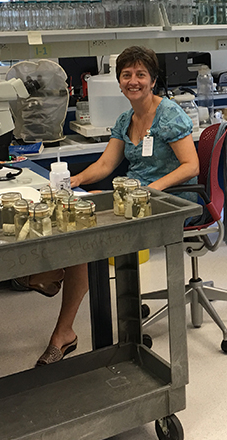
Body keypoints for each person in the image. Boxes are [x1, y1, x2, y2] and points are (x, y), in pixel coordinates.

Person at [26, 46, 199, 366]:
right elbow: (107, 164)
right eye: (126, 75)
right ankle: (59, 314)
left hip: (169, 201)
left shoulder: (169, 113)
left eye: (140, 75)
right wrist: (75, 180)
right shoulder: (126, 119)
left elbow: (191, 166)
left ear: (153, 80)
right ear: (119, 82)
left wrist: (152, 188)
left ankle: (52, 285)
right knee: (75, 220)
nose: (133, 81)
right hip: (132, 200)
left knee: (85, 238)